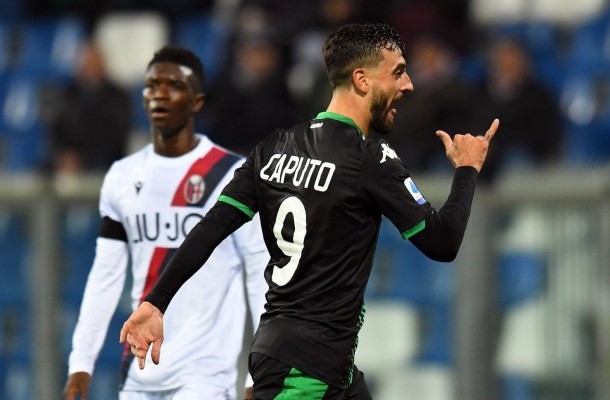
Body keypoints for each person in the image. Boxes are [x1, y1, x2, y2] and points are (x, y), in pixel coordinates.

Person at [120, 23, 499, 399]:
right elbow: (442, 242)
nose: (409, 84)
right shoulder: (369, 159)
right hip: (305, 373)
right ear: (362, 80)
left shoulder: (274, 147)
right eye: (398, 72)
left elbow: (211, 227)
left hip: (311, 360)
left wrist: (156, 302)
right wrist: (467, 170)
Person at [63, 46, 268, 400]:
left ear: (197, 101)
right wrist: (81, 363)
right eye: (152, 85)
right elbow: (105, 277)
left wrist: (257, 374)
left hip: (205, 376)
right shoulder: (122, 176)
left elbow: (259, 275)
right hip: (138, 371)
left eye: (174, 85)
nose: (160, 93)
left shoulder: (233, 174)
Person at [47, 40, 131, 174]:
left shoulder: (118, 96)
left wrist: (82, 158)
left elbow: (115, 137)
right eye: (86, 63)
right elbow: (57, 128)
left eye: (94, 63)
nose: (90, 68)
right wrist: (64, 155)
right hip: (68, 162)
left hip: (102, 161)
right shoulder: (68, 94)